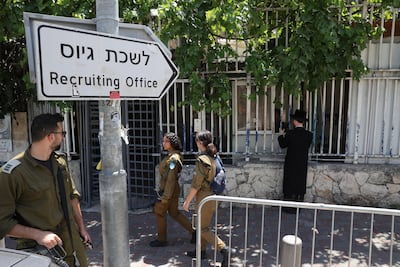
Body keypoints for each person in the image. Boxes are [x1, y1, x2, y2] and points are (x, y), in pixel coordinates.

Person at [0, 113, 91, 266]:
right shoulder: (13, 173)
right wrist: (38, 235)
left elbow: (72, 196)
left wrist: (81, 228)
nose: (63, 137)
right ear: (50, 136)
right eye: (62, 133)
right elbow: (2, 223)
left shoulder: (60, 162)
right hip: (42, 251)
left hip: (72, 244)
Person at [183, 130, 232, 267]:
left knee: (202, 227)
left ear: (200, 143)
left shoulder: (202, 160)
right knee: (202, 224)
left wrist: (187, 201)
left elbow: (196, 184)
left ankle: (224, 249)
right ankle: (201, 251)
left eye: (196, 141)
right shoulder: (215, 156)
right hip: (214, 195)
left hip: (205, 196)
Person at [149, 132, 195, 247]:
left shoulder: (173, 159)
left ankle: (161, 239)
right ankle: (194, 232)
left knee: (160, 212)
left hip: (169, 190)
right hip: (173, 189)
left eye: (166, 141)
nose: (163, 143)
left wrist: (165, 197)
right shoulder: (172, 156)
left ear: (172, 143)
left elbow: (171, 179)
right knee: (174, 213)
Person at [278, 109, 313, 211]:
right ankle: (298, 206)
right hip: (302, 163)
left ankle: (288, 207)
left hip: (291, 162)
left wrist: (281, 135)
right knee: (300, 183)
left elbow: (283, 145)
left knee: (289, 183)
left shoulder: (290, 133)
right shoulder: (309, 135)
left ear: (295, 121)